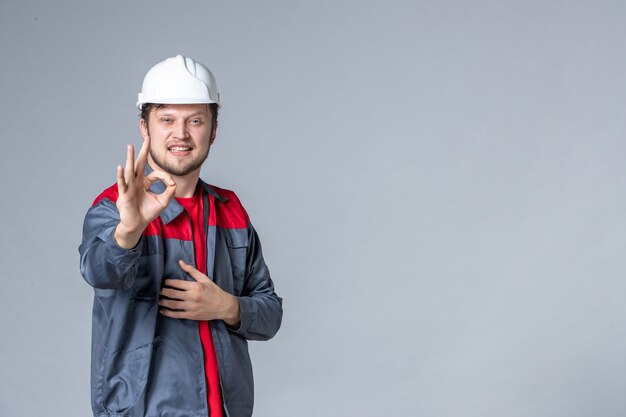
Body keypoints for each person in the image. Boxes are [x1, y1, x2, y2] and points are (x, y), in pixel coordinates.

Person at [79, 55, 283, 417]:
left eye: (196, 121)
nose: (182, 134)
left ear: (213, 130)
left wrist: (229, 307)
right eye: (167, 120)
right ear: (145, 127)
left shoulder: (230, 210)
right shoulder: (115, 207)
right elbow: (99, 272)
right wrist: (129, 230)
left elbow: (270, 312)